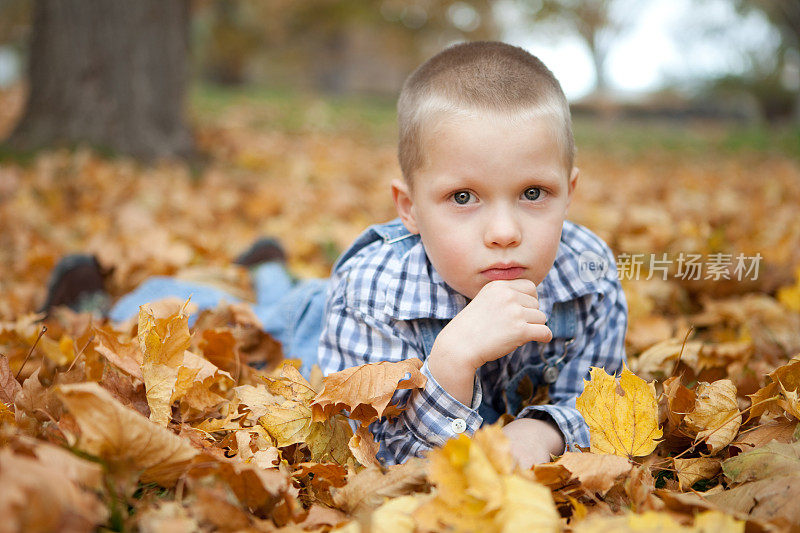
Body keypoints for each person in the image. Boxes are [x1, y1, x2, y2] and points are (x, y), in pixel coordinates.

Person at [42, 41, 627, 470]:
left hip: (333, 300)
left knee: (292, 290)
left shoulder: (590, 272)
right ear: (410, 208)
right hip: (320, 328)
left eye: (533, 194)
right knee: (227, 316)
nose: (504, 231)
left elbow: (598, 398)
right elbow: (376, 454)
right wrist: (450, 364)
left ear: (569, 192)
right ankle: (101, 300)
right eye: (463, 197)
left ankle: (269, 266)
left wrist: (542, 430)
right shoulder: (373, 285)